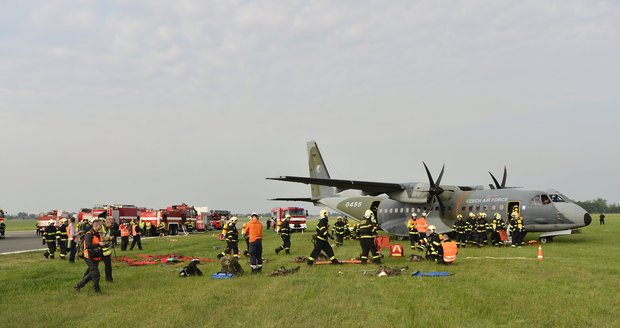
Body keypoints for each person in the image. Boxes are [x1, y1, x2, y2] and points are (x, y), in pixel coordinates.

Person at [74, 219, 104, 293]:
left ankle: (78, 285)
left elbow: (98, 243)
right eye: (100, 225)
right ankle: (97, 291)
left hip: (96, 255)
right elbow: (88, 246)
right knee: (96, 274)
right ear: (96, 226)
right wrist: (99, 244)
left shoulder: (98, 234)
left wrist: (104, 244)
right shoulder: (89, 234)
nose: (101, 226)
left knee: (91, 274)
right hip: (89, 256)